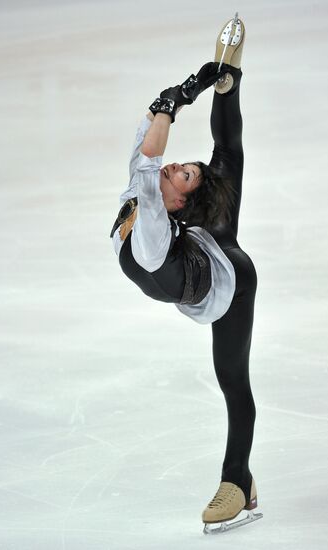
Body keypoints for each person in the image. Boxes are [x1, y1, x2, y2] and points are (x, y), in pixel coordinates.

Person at [110, 14, 263, 533]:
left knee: (231, 380)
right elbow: (149, 140)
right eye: (180, 166)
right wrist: (201, 84)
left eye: (185, 173)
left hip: (229, 282)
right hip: (196, 247)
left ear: (179, 199)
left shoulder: (154, 219)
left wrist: (177, 101)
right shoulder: (149, 188)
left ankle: (237, 479)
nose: (177, 166)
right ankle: (231, 80)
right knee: (226, 165)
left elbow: (156, 149)